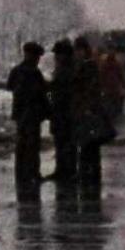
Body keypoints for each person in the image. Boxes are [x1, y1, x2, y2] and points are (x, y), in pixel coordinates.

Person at [7, 41, 51, 188]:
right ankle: (33, 174)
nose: (38, 60)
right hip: (32, 114)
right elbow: (42, 92)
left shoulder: (16, 70)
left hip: (21, 114)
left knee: (21, 145)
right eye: (37, 56)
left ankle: (20, 174)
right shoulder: (34, 72)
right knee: (32, 146)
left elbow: (9, 86)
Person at [71, 36, 110, 186]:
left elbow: (90, 89)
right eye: (76, 50)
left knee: (90, 143)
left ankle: (89, 172)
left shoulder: (89, 66)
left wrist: (87, 107)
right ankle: (87, 172)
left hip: (89, 110)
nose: (78, 53)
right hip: (84, 109)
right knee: (86, 143)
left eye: (79, 50)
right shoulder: (83, 65)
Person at [47, 39, 77, 184]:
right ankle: (63, 170)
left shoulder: (66, 71)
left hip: (64, 112)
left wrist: (47, 88)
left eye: (58, 54)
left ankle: (66, 170)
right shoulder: (64, 69)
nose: (56, 57)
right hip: (61, 111)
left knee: (65, 142)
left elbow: (59, 90)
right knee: (62, 142)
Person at [99, 46, 125, 123]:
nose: (111, 52)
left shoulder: (117, 63)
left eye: (112, 51)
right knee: (109, 103)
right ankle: (111, 117)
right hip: (108, 87)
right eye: (109, 50)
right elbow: (101, 75)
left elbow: (121, 74)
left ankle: (114, 117)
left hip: (115, 87)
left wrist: (123, 85)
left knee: (116, 102)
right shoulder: (104, 64)